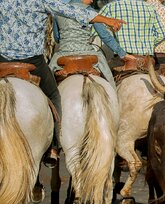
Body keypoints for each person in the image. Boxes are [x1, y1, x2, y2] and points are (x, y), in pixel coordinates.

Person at [0, 0, 125, 167]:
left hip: (2, 60)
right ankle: (53, 145)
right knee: (53, 96)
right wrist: (107, 20)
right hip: (33, 61)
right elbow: (73, 11)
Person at [49, 0, 136, 89]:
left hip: (63, 54)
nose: (92, 0)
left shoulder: (59, 11)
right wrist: (122, 53)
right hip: (88, 53)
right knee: (110, 81)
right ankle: (114, 98)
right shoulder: (91, 12)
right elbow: (105, 36)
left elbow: (57, 38)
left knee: (47, 81)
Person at [98, 0, 165, 62]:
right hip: (146, 60)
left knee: (103, 71)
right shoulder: (150, 8)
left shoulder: (109, 7)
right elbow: (161, 35)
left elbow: (95, 33)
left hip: (123, 59)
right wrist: (148, 46)